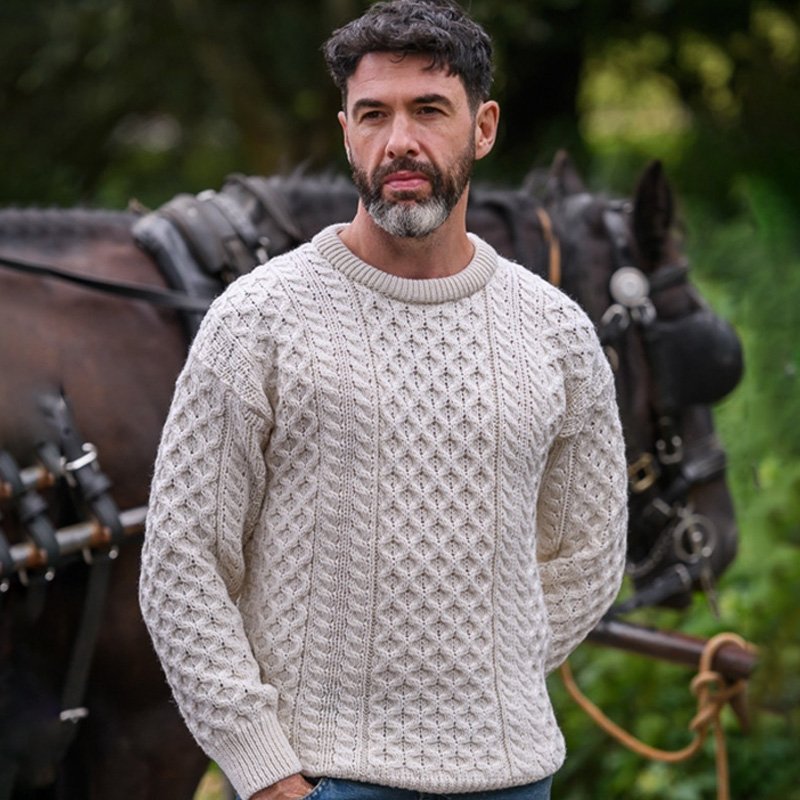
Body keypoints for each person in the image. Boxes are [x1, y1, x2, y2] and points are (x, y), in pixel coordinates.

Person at [138, 1, 628, 799]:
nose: (399, 140)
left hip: (513, 780)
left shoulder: (556, 332)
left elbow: (590, 551)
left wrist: (482, 676)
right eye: (374, 114)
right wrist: (265, 772)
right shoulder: (258, 320)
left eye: (429, 110)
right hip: (319, 781)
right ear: (347, 133)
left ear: (483, 128)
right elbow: (180, 562)